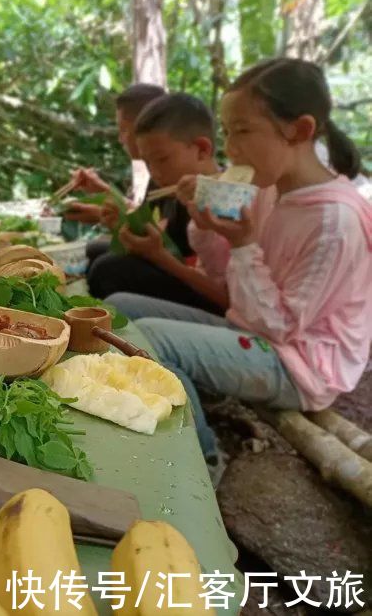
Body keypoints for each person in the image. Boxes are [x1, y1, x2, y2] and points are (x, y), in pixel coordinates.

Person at [107, 58, 372, 465]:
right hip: (253, 324)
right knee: (123, 307)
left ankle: (202, 462)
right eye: (227, 133)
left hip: (302, 364)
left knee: (153, 337)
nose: (230, 150)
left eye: (243, 132)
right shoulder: (269, 188)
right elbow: (227, 284)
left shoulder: (334, 221)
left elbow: (280, 328)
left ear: (299, 130)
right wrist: (205, 222)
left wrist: (245, 244)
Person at [86, 93, 223, 313]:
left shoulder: (224, 197)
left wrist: (156, 255)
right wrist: (122, 226)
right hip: (176, 266)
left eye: (162, 159)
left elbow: (208, 277)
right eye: (148, 162)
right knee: (95, 251)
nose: (155, 172)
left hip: (209, 293)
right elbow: (160, 239)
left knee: (109, 269)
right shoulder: (166, 186)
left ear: (202, 150)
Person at [63, 83, 166, 252]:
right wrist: (102, 190)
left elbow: (158, 235)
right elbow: (140, 213)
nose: (120, 139)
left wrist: (101, 214)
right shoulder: (147, 170)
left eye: (123, 130)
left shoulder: (167, 171)